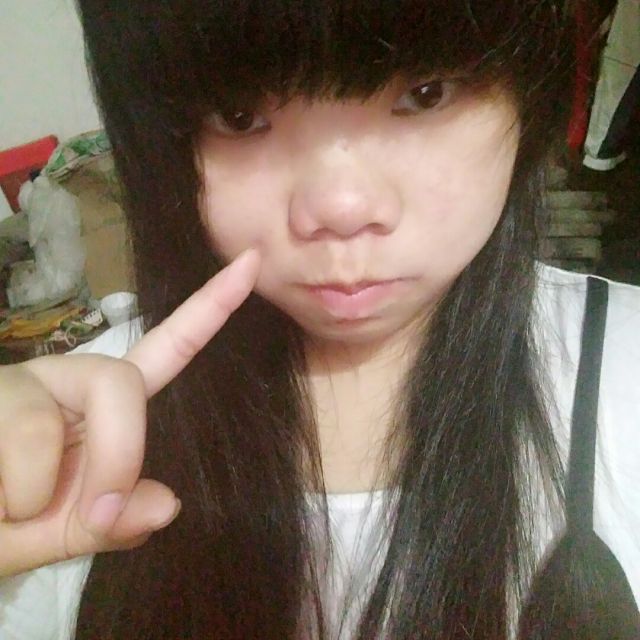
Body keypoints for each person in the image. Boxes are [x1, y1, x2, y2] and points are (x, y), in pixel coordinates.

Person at [1, 1, 639, 638]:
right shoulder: (82, 428)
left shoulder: (625, 373)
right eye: (240, 116)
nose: (341, 208)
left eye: (426, 93)